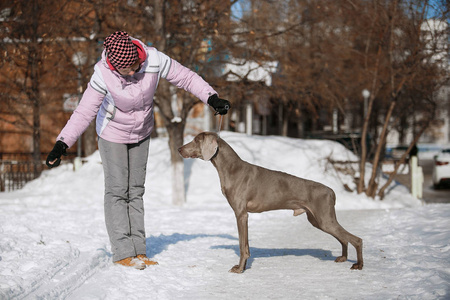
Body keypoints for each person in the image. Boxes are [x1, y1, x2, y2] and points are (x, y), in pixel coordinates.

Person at [46, 31, 230, 270]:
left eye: (136, 66)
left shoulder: (153, 59)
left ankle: (138, 250)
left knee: (135, 190)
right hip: (112, 134)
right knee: (117, 190)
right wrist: (62, 144)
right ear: (114, 65)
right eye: (128, 70)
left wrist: (211, 98)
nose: (134, 72)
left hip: (141, 133)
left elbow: (186, 77)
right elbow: (84, 112)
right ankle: (123, 251)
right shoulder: (102, 74)